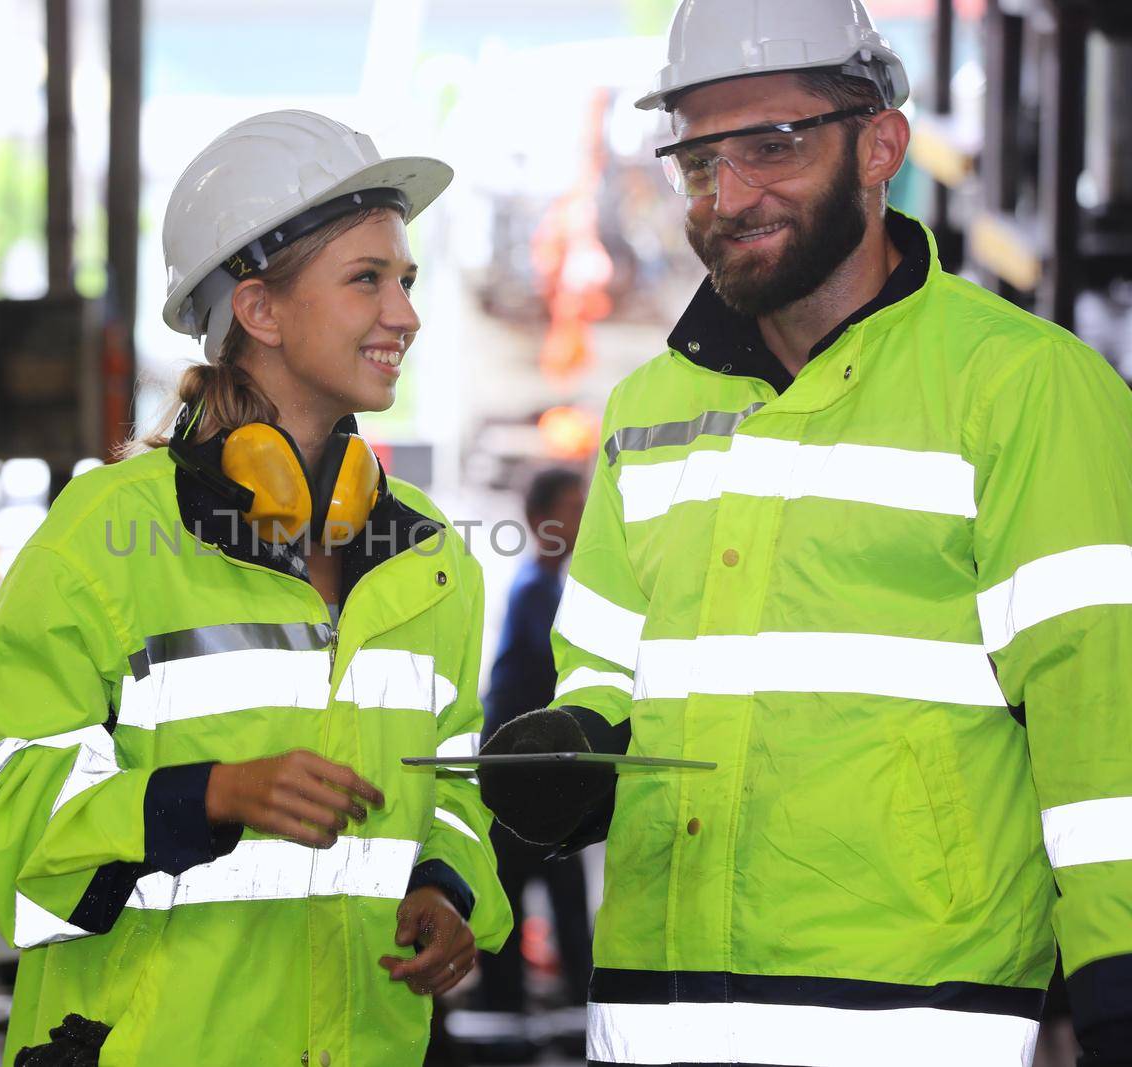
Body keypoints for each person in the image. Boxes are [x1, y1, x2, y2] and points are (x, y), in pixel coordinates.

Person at [477, 1, 1132, 1064]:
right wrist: (579, 746)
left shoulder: (1023, 389)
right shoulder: (646, 409)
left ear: (880, 145)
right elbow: (602, 670)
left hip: (914, 1032)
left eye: (771, 146)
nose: (729, 196)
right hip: (651, 1026)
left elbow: (1106, 731)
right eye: (698, 161)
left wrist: (1116, 995)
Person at [0, 109, 511, 1067]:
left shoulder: (428, 558)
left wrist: (447, 886)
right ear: (260, 310)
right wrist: (208, 795)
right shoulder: (106, 538)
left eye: (404, 280)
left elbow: (453, 782)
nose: (404, 313)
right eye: (366, 279)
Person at [472, 468, 593, 1047]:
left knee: (539, 893)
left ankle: (530, 1010)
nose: (581, 517)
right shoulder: (538, 595)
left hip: (531, 777)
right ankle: (520, 1018)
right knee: (530, 896)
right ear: (538, 519)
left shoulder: (542, 588)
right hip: (523, 779)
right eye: (572, 506)